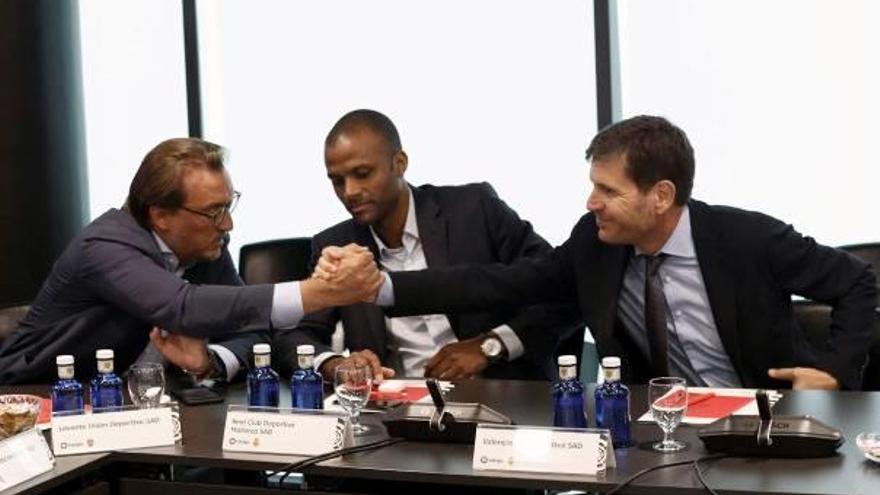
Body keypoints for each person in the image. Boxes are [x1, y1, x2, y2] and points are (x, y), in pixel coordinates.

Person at [322, 115, 877, 390]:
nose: (592, 203)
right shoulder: (596, 246)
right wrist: (383, 287)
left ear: (661, 196)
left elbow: (859, 283)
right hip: (662, 436)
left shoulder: (748, 238)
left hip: (765, 420)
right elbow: (500, 282)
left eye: (608, 191)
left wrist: (834, 373)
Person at [0, 138, 380, 385]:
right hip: (40, 397)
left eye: (228, 206)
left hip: (140, 409)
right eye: (214, 211)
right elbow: (184, 307)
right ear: (160, 215)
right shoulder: (104, 247)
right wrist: (318, 292)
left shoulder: (206, 245)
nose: (228, 224)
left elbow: (250, 329)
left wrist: (209, 362)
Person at [275, 109, 580, 382]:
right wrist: (335, 364)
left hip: (502, 398)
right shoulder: (335, 245)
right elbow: (295, 335)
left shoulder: (475, 210)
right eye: (337, 181)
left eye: (362, 174)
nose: (350, 192)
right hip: (395, 416)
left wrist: (491, 345)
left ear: (399, 163)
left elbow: (560, 292)